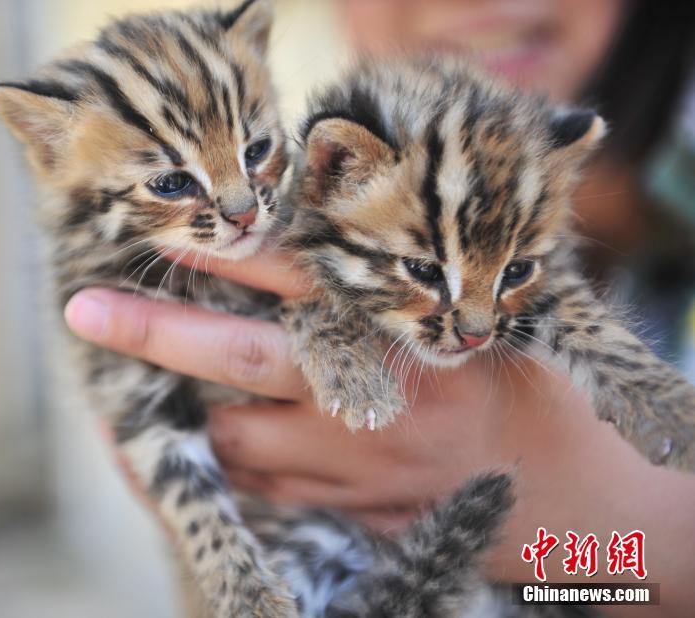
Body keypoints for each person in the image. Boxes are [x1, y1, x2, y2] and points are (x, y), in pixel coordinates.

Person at [65, 1, 695, 615]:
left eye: (519, 270)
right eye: (423, 270)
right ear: (331, 167)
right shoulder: (280, 183)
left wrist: (613, 525)